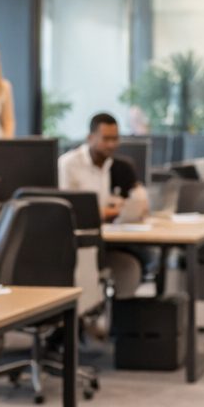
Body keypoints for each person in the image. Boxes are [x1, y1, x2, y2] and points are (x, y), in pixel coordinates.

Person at [58, 112, 151, 297]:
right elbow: (68, 210)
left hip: (112, 238)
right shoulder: (69, 164)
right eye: (106, 139)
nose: (111, 144)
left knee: (140, 258)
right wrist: (109, 212)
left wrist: (137, 203)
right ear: (90, 138)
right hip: (78, 241)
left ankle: (121, 310)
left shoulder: (119, 166)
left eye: (115, 139)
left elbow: (139, 199)